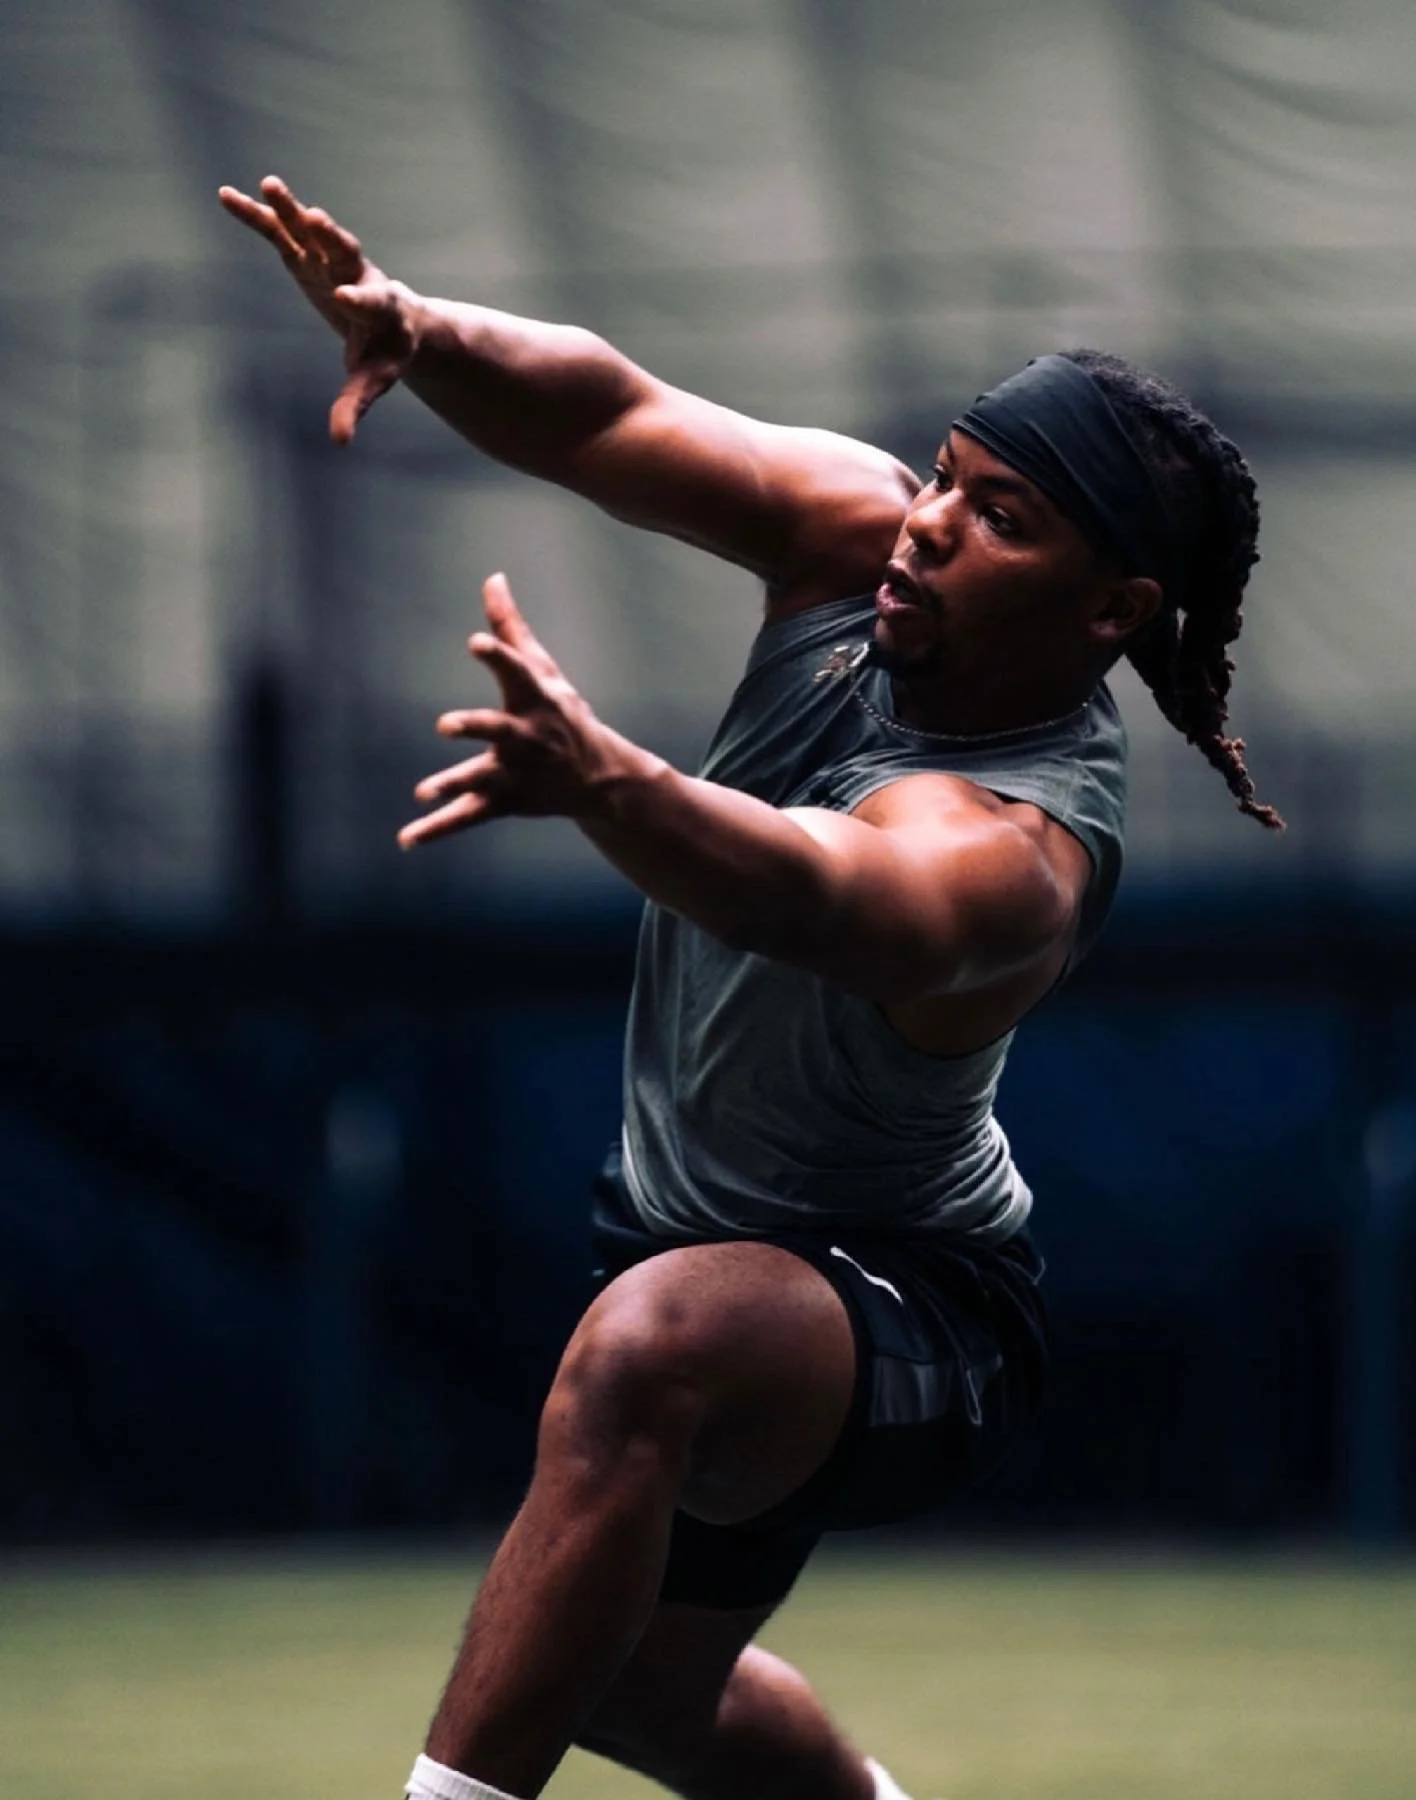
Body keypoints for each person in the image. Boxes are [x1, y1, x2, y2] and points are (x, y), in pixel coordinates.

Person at [220, 175, 1282, 1800]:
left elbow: (831, 892)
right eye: (948, 472)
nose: (931, 518)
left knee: (648, 1349)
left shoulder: (1020, 847)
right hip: (692, 1236)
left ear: (1114, 610)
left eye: (1004, 517)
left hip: (916, 1308)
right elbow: (614, 408)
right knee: (638, 1696)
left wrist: (614, 786)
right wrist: (422, 330)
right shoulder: (859, 548)